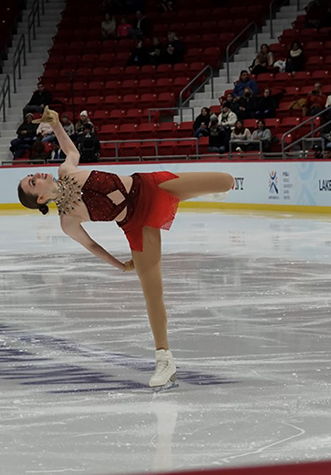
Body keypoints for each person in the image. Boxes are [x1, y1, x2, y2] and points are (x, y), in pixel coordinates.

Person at [17, 106, 234, 390]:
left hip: (152, 187)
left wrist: (56, 124)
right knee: (153, 294)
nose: (37, 175)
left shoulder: (65, 170)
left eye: (33, 175)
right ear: (41, 199)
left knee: (227, 181)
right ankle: (164, 359)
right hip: (137, 224)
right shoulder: (67, 221)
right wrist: (120, 264)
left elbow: (72, 152)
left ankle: (178, 199)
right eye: (32, 183)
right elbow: (92, 245)